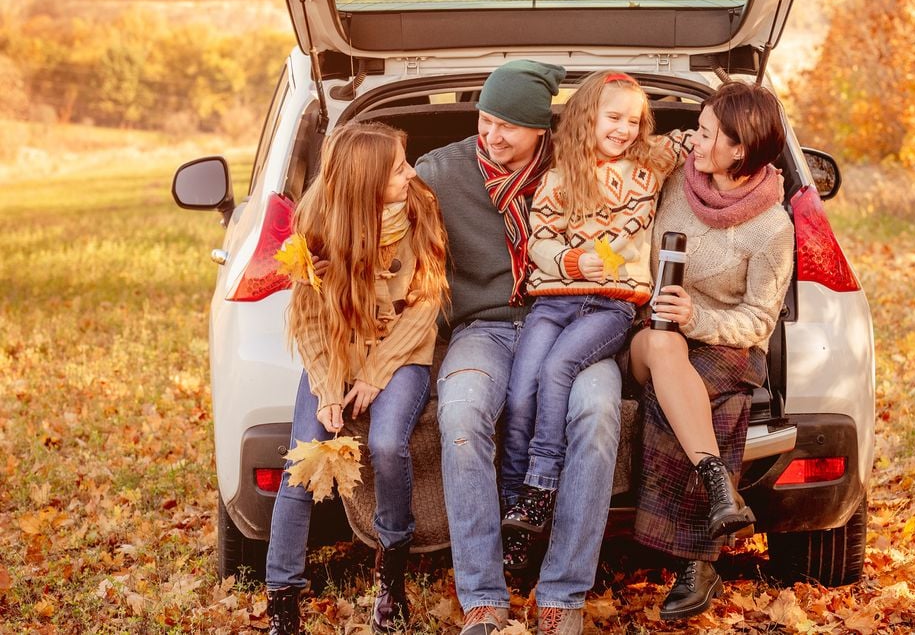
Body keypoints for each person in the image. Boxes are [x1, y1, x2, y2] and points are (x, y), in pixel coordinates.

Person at [415, 60, 623, 635]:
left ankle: (562, 594)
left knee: (600, 413)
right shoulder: (440, 172)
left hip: (569, 323)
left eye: (508, 125)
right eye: (485, 119)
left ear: (542, 131)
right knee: (460, 412)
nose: (492, 135)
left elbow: (653, 166)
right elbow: (368, 204)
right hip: (485, 329)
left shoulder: (580, 166)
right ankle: (483, 597)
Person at [264, 122, 449, 635]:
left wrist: (375, 373)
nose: (410, 173)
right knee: (304, 461)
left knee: (388, 445)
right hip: (337, 356)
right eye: (397, 168)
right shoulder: (317, 220)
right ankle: (282, 601)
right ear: (366, 182)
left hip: (401, 353)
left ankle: (390, 578)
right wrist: (327, 388)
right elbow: (308, 319)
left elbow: (424, 306)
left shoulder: (419, 210)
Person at [628, 81, 794, 621]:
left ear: (739, 149)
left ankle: (695, 561)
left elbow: (759, 320)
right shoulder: (676, 178)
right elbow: (619, 160)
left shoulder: (772, 227)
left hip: (723, 340)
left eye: (705, 133)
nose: (694, 141)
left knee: (710, 396)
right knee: (664, 349)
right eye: (696, 129)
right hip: (647, 332)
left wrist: (696, 316)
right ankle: (717, 493)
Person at [500, 71, 688, 539]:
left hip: (611, 307)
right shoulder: (559, 178)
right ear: (587, 117)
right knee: (520, 387)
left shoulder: (651, 162)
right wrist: (573, 260)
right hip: (554, 302)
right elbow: (540, 242)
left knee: (557, 368)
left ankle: (541, 487)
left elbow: (700, 137)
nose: (624, 129)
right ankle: (513, 503)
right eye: (614, 117)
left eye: (634, 120)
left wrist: (756, 166)